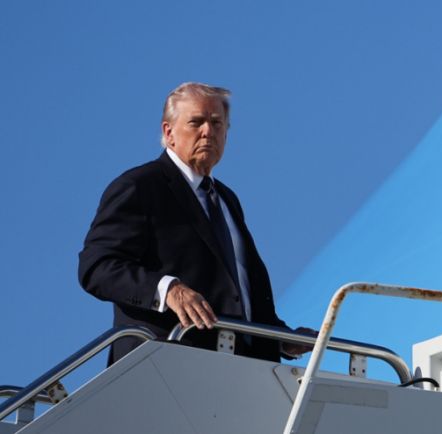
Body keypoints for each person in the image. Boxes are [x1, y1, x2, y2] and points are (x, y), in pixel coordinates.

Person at [78, 82, 310, 364]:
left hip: (242, 370)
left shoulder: (227, 199)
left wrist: (279, 336)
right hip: (165, 366)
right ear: (168, 132)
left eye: (217, 123)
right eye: (196, 122)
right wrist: (168, 290)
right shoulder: (139, 186)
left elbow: (236, 287)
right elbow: (97, 267)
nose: (208, 132)